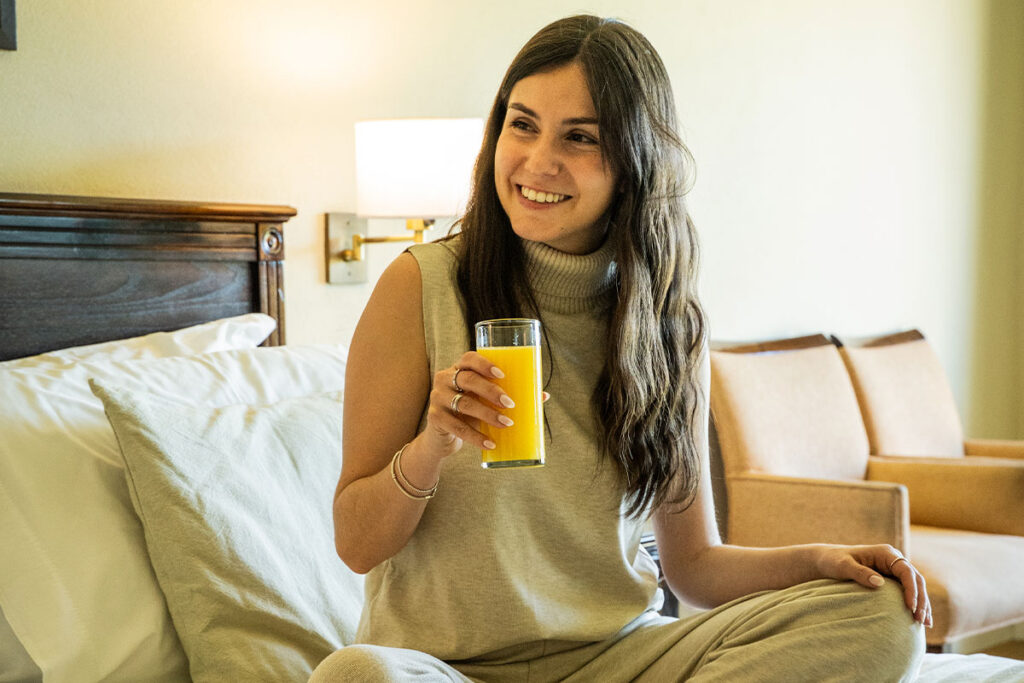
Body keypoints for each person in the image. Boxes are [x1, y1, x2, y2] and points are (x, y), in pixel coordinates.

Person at [312, 14, 928, 682]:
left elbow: (694, 566)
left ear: (634, 162)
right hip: (447, 668)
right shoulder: (421, 285)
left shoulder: (670, 324)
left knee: (883, 615)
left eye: (580, 137)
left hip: (622, 660)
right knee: (354, 675)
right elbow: (356, 544)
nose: (538, 161)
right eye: (522, 125)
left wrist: (819, 562)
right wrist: (432, 444)